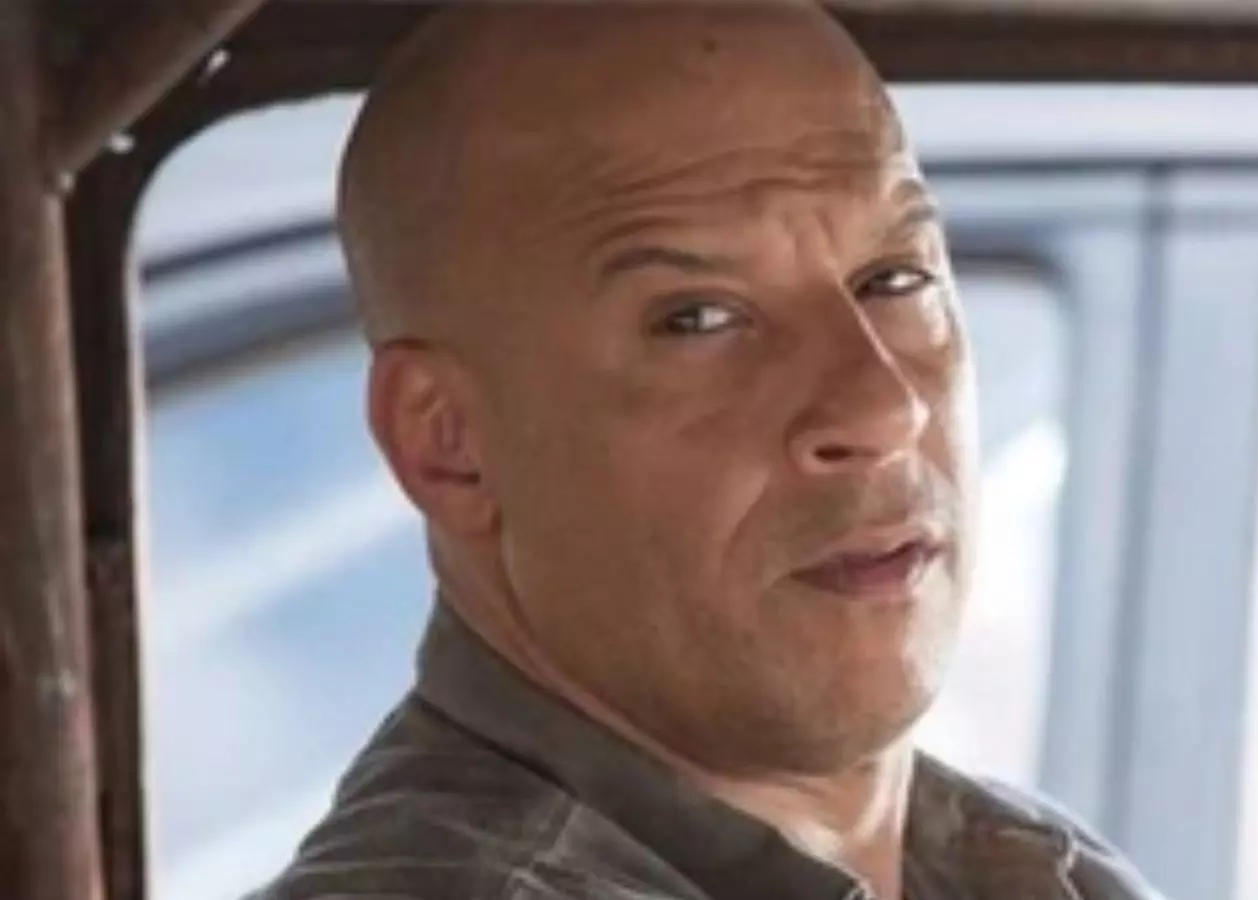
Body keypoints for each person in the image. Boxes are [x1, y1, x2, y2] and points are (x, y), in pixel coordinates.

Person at [252, 3, 1159, 899]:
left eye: (895, 278)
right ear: (448, 443)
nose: (882, 409)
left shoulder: (1036, 871)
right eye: (700, 320)